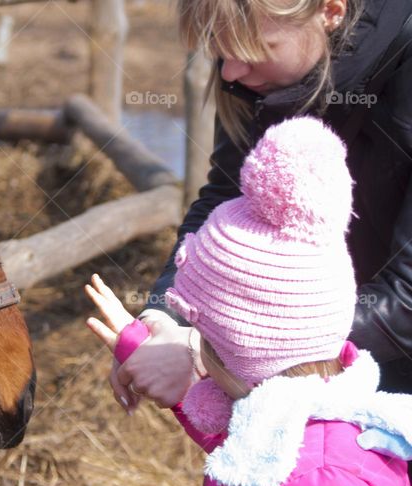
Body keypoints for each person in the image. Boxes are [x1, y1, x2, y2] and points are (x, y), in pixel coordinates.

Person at [87, 116, 412, 486]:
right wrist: (141, 344)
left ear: (235, 351)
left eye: (198, 335)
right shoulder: (312, 419)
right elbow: (248, 449)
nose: (191, 347)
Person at [114, 0, 412, 411]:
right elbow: (225, 195)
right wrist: (169, 316)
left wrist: (210, 349)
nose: (229, 72)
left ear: (330, 11)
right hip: (304, 376)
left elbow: (407, 296)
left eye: (253, 49)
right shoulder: (256, 82)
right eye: (219, 49)